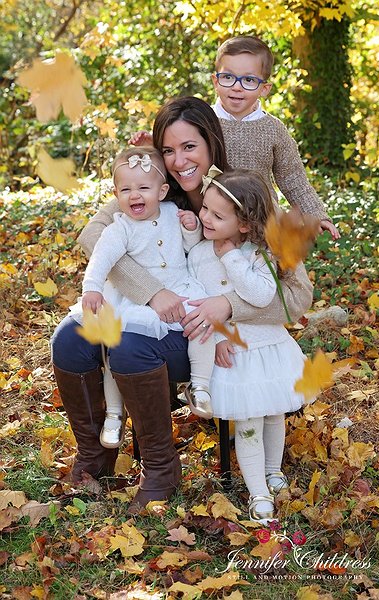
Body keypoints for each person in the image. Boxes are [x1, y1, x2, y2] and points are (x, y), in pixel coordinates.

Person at [51, 97, 313, 509]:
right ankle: (95, 457)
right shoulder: (152, 184)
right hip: (152, 310)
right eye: (168, 150)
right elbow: (94, 235)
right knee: (69, 340)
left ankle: (160, 468)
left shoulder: (240, 195)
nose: (178, 161)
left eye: (189, 147)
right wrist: (151, 291)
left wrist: (228, 306)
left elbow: (297, 295)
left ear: (212, 143)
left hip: (209, 337)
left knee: (130, 345)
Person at [68, 146, 215, 449]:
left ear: (162, 192)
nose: (135, 195)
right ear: (116, 194)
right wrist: (91, 288)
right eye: (126, 190)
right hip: (137, 300)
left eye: (143, 188)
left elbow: (192, 248)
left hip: (180, 287)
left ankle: (199, 386)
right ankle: (114, 412)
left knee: (202, 324)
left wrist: (191, 229)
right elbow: (100, 258)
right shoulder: (119, 228)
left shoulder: (173, 213)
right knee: (116, 347)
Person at [188, 165, 312, 524]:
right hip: (236, 354)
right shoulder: (198, 256)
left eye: (217, 215)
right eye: (205, 208)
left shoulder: (261, 253)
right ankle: (258, 491)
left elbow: (261, 295)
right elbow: (196, 301)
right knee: (248, 422)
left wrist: (231, 257)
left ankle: (273, 469)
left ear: (244, 224)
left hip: (270, 347)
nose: (205, 218)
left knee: (274, 413)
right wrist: (216, 337)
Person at [131, 36, 339, 240]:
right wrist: (152, 147)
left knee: (275, 258)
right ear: (215, 81)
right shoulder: (203, 121)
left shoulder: (274, 130)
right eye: (228, 77)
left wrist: (315, 215)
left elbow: (292, 178)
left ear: (264, 89)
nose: (237, 87)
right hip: (212, 218)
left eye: (249, 80)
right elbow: (178, 150)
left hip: (259, 220)